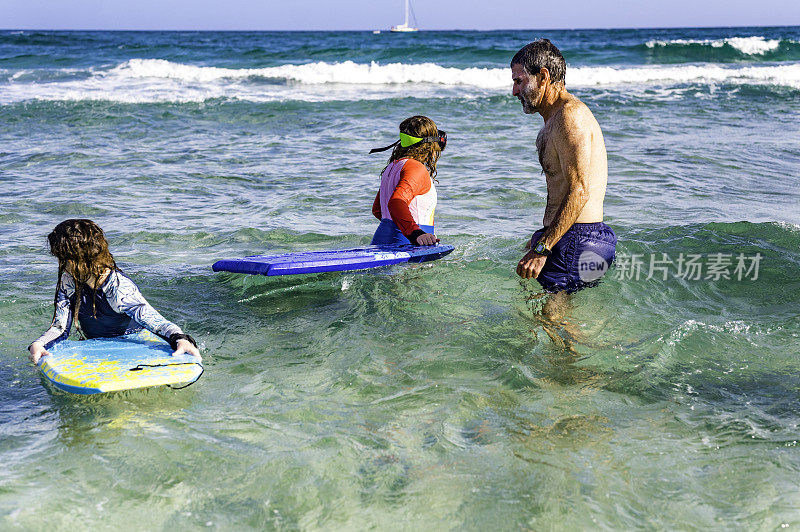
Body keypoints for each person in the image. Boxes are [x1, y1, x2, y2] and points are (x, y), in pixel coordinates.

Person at [511, 39, 616, 294]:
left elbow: (580, 190)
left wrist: (543, 248)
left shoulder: (570, 116)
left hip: (579, 238)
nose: (514, 91)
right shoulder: (554, 120)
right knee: (543, 315)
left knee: (553, 319)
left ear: (543, 77)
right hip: (571, 236)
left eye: (519, 81)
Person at [28, 219, 201, 364]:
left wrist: (181, 339)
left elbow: (156, 322)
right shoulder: (69, 281)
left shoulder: (118, 288)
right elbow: (60, 328)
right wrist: (38, 344)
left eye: (63, 257)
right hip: (94, 345)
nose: (61, 263)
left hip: (133, 345)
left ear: (80, 258)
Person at [368, 115, 446, 246]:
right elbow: (396, 202)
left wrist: (392, 229)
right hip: (409, 243)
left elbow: (378, 209)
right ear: (430, 145)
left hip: (381, 240)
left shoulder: (392, 167)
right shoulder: (416, 168)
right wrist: (416, 233)